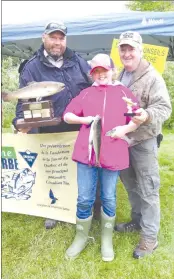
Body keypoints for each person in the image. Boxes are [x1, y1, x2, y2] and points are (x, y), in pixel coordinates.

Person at [12, 20, 91, 229]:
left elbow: (95, 88)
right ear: (43, 38)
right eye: (53, 37)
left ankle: (83, 206)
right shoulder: (32, 67)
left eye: (61, 38)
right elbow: (24, 101)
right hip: (49, 130)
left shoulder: (79, 62)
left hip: (78, 128)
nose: (57, 42)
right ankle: (54, 209)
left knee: (80, 170)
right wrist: (20, 123)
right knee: (53, 172)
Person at [63, 53, 140, 261]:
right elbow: (67, 115)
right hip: (86, 154)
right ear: (92, 74)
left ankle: (107, 239)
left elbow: (136, 117)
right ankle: (81, 237)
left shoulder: (124, 92)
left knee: (108, 196)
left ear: (112, 70)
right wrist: (84, 119)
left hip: (113, 153)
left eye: (104, 70)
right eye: (96, 71)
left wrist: (125, 129)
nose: (100, 74)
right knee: (85, 197)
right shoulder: (86, 94)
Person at [114, 31, 172, 259]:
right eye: (123, 49)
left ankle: (149, 238)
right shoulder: (122, 73)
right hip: (124, 141)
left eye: (131, 49)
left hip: (144, 141)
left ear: (140, 50)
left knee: (148, 188)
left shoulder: (152, 77)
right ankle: (137, 221)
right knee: (130, 185)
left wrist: (146, 115)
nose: (127, 53)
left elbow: (164, 108)